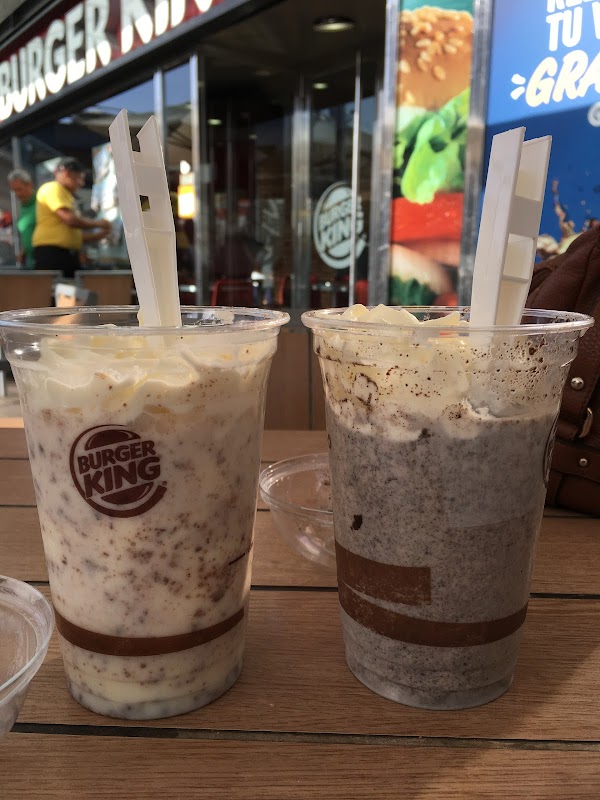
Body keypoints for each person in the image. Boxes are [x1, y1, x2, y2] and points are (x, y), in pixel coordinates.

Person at [33, 157, 111, 278]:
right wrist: (99, 223)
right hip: (53, 254)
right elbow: (70, 220)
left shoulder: (67, 195)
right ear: (67, 173)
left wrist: (99, 235)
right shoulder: (53, 188)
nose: (81, 183)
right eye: (79, 178)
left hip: (67, 255)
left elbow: (72, 234)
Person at [8, 169, 36, 268]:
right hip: (30, 262)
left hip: (45, 260)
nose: (17, 194)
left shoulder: (41, 202)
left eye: (19, 189)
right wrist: (23, 251)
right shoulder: (23, 207)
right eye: (14, 191)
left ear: (30, 185)